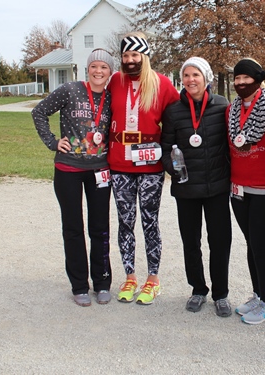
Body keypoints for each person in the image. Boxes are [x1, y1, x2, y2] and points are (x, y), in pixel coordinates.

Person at [32, 48, 115, 306]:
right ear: (86, 69)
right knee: (73, 227)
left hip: (100, 170)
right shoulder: (70, 90)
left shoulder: (112, 98)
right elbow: (39, 112)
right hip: (68, 169)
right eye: (94, 67)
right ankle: (79, 284)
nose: (98, 71)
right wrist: (53, 142)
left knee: (100, 228)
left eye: (104, 67)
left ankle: (102, 282)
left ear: (110, 72)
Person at [108, 32, 179, 305]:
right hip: (119, 163)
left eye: (135, 55)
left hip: (149, 164)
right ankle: (129, 275)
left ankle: (153, 278)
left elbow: (178, 115)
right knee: (125, 221)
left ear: (144, 56)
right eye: (125, 56)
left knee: (149, 221)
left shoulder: (160, 84)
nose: (129, 60)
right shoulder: (115, 80)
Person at [161, 57, 232, 317]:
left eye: (196, 75)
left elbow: (231, 144)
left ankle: (221, 294)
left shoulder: (223, 105)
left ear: (206, 78)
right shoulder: (173, 111)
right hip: (187, 189)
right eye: (187, 75)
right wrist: (173, 168)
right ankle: (198, 289)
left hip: (216, 188)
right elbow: (165, 148)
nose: (191, 80)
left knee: (220, 242)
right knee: (191, 242)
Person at [227, 59, 265, 324]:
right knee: (252, 245)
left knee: (261, 246)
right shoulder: (231, 110)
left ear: (258, 79)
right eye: (236, 78)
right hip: (239, 189)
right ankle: (258, 294)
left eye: (246, 78)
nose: (240, 83)